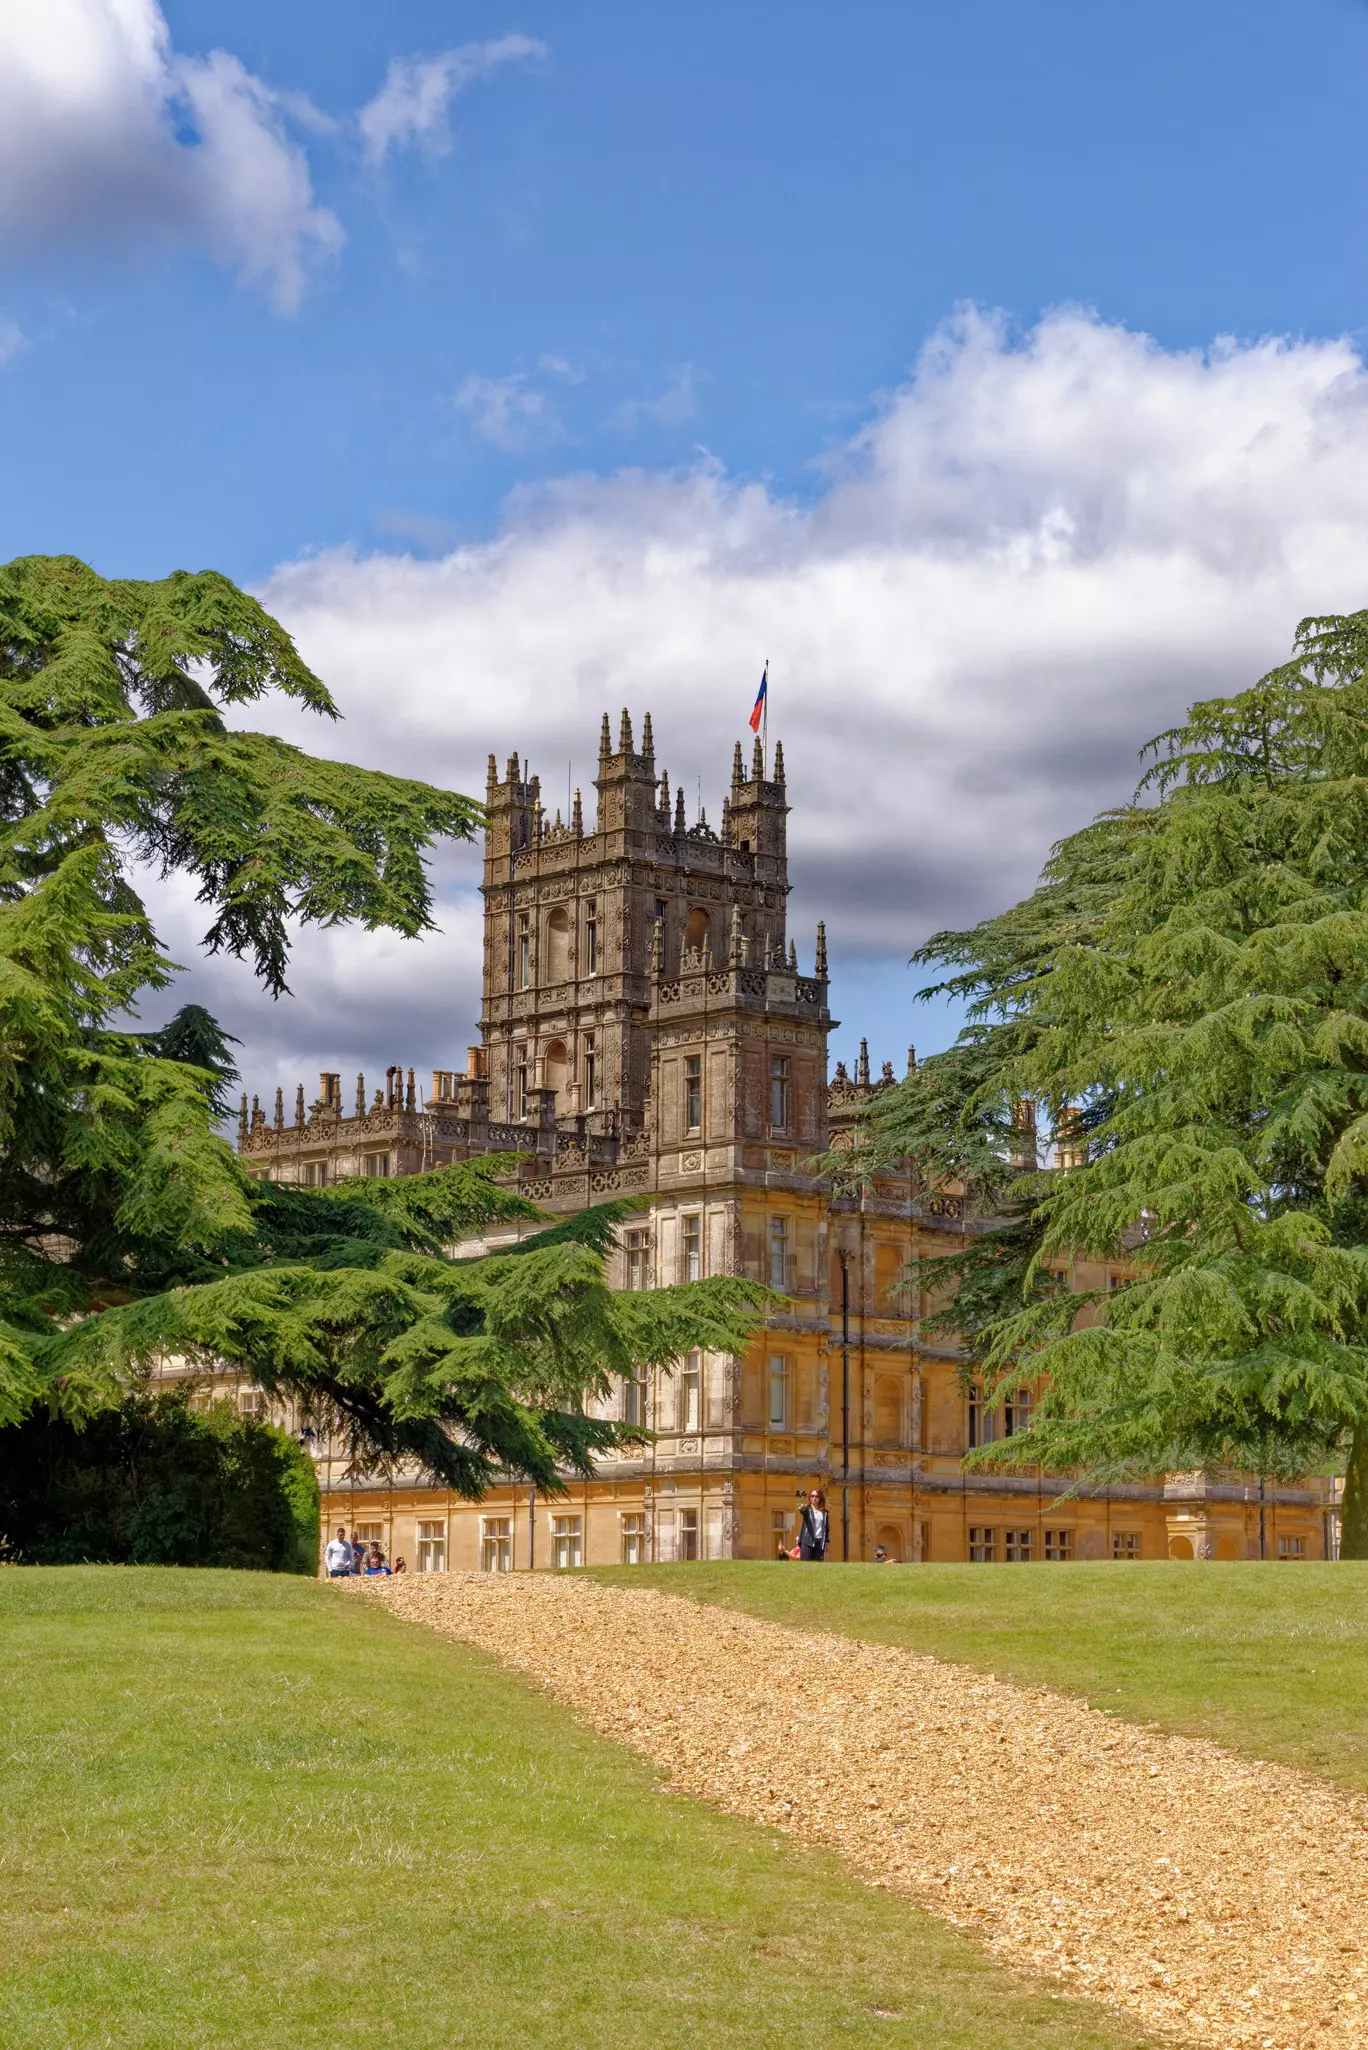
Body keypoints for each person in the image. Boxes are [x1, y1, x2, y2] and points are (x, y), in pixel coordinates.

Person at [792, 1487, 830, 1560]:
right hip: (807, 1541)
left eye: (816, 1496)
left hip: (819, 1541)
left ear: (820, 1498)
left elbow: (826, 1529)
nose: (814, 1498)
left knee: (817, 1566)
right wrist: (801, 1503)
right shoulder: (807, 1510)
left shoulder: (824, 1513)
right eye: (812, 1496)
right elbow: (802, 1510)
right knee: (805, 1564)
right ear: (809, 1498)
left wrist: (826, 1543)